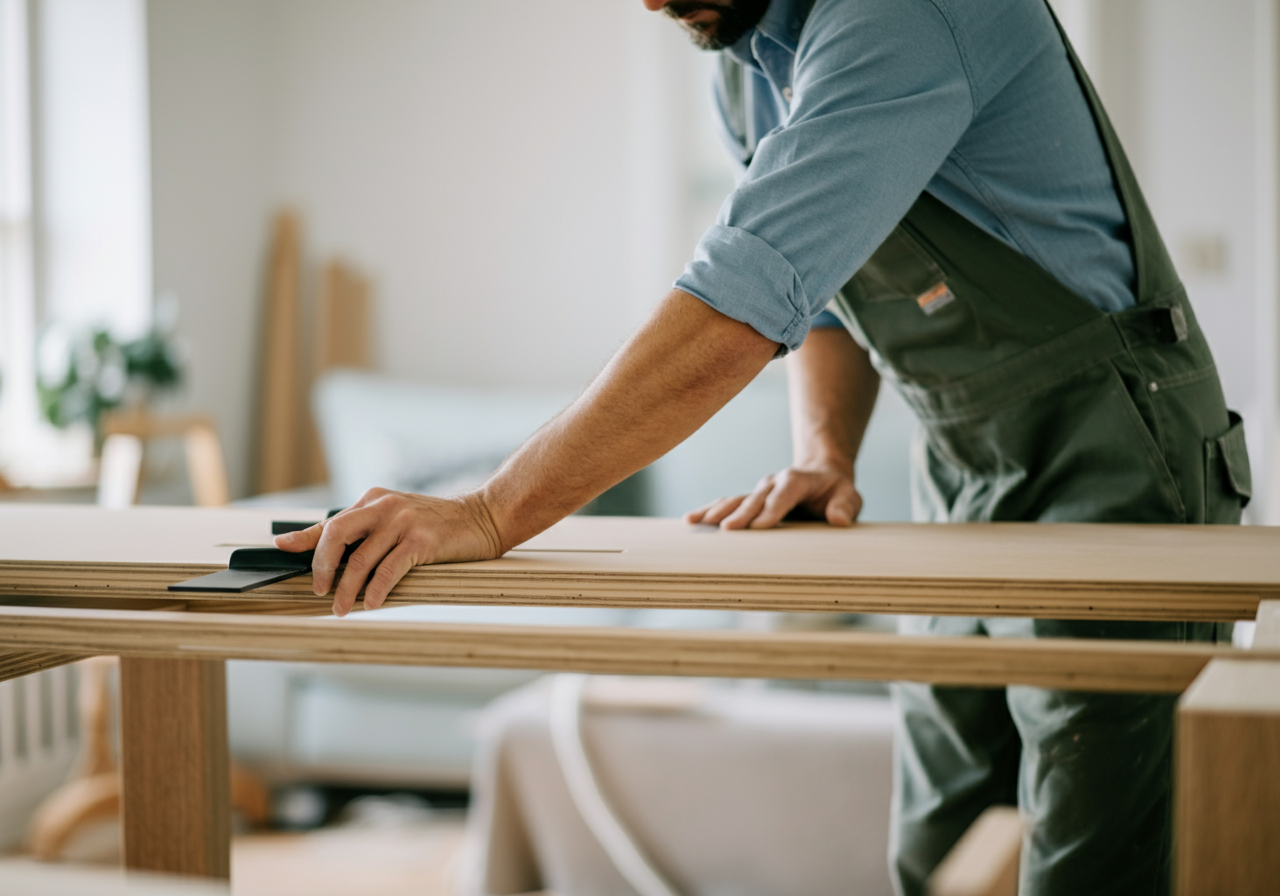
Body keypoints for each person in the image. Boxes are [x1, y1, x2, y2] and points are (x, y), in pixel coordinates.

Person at [277, 1, 1252, 893]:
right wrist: (825, 454)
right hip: (960, 464)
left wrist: (491, 512)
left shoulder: (907, 14)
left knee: (1092, 854)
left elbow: (738, 307)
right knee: (942, 840)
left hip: (1117, 447)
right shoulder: (746, 66)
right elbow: (822, 294)